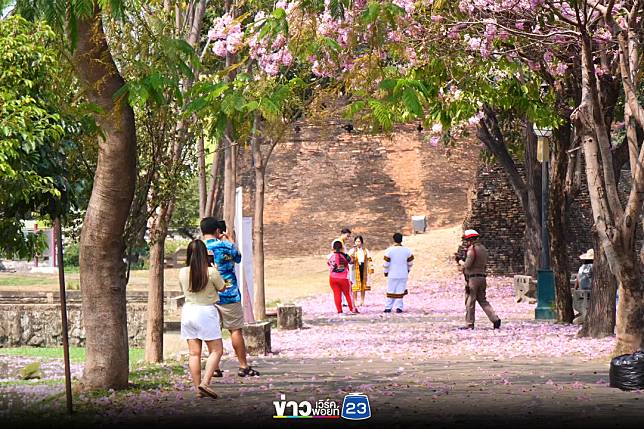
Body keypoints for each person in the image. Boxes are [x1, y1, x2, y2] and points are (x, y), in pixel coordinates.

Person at [200, 217, 260, 377]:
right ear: (218, 231)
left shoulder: (198, 248)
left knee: (212, 332)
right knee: (235, 330)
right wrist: (230, 239)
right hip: (230, 294)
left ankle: (215, 368)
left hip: (207, 295)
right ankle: (243, 365)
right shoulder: (226, 245)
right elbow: (238, 257)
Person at [179, 239, 227, 399]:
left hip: (188, 312)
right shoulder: (211, 272)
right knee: (216, 350)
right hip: (206, 312)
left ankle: (197, 389)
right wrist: (216, 270)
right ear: (204, 254)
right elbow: (222, 287)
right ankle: (205, 382)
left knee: (194, 354)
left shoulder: (183, 272)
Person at [457, 229, 501, 330]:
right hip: (482, 277)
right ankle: (495, 319)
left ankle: (469, 323)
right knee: (482, 300)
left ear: (470, 239)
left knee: (470, 301)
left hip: (473, 279)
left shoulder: (472, 249)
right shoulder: (483, 249)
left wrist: (460, 261)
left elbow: (467, 265)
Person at [383, 233, 414, 313]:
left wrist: (386, 272)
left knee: (391, 290)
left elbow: (386, 264)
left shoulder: (389, 250)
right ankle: (399, 307)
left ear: (394, 240)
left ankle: (388, 307)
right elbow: (410, 263)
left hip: (392, 273)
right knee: (400, 290)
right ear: (401, 239)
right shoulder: (407, 250)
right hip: (403, 273)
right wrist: (407, 270)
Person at [328, 239, 358, 314]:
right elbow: (351, 261)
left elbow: (328, 264)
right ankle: (352, 309)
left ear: (333, 248)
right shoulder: (344, 256)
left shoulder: (330, 256)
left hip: (333, 278)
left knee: (336, 294)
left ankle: (339, 310)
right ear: (342, 248)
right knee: (348, 294)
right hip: (344, 278)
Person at [348, 235, 373, 307]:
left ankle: (362, 300)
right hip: (354, 268)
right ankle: (355, 301)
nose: (357, 243)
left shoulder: (365, 250)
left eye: (359, 241)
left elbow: (369, 260)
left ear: (361, 242)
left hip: (363, 268)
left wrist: (370, 268)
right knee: (355, 284)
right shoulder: (352, 250)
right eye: (356, 241)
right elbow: (348, 259)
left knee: (363, 284)